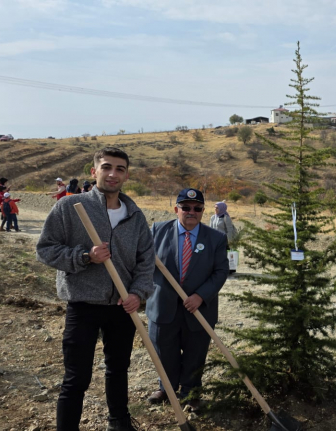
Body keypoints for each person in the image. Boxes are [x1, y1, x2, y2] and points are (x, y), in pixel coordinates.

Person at [36, 147, 155, 431]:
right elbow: (46, 250)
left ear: (126, 174)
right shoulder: (70, 207)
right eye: (107, 167)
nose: (113, 173)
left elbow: (146, 262)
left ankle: (120, 423)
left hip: (121, 305)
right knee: (76, 377)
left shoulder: (135, 215)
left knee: (118, 371)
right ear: (94, 171)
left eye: (120, 169)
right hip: (83, 304)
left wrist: (138, 294)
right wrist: (85, 257)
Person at [146, 188, 229, 409]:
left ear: (203, 211)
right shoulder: (157, 230)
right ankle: (166, 389)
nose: (191, 212)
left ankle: (191, 393)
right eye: (185, 207)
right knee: (164, 351)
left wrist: (201, 296)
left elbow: (221, 271)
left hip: (199, 308)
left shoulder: (217, 238)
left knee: (195, 353)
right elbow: (142, 264)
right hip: (163, 307)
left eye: (197, 208)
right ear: (176, 209)